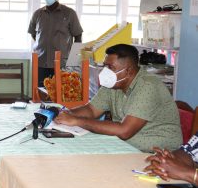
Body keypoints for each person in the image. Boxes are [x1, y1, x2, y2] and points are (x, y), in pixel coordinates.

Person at [54, 44, 182, 152]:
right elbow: (92, 110)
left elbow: (124, 131)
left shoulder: (148, 86)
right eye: (105, 65)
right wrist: (66, 114)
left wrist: (77, 121)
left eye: (111, 67)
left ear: (129, 71)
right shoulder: (113, 83)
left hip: (158, 153)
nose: (105, 71)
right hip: (125, 146)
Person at [28, 0, 83, 86]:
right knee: (41, 93)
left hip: (62, 64)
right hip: (41, 62)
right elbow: (33, 34)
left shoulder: (69, 13)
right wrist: (43, 44)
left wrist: (73, 60)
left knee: (61, 94)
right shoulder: (37, 14)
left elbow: (78, 36)